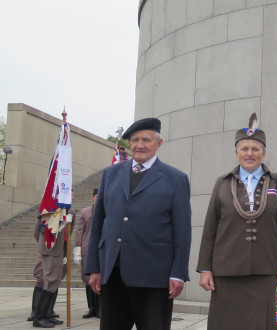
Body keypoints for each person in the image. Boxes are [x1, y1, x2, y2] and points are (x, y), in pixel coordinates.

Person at [85, 118, 192, 330]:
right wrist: (94, 268)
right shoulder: (110, 174)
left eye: (146, 139)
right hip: (113, 275)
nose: (139, 145)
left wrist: (178, 273)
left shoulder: (176, 179)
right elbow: (98, 225)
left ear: (158, 143)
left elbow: (182, 232)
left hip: (154, 277)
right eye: (134, 140)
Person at [197, 113, 277, 329]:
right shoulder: (222, 183)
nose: (249, 153)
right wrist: (205, 268)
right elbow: (210, 229)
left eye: (255, 149)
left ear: (264, 153)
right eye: (244, 149)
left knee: (260, 323)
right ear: (236, 153)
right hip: (226, 270)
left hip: (264, 268)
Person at [32, 191, 76, 328]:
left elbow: (69, 234)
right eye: (69, 194)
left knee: (55, 281)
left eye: (72, 195)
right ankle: (38, 317)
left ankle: (48, 314)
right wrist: (63, 223)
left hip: (61, 250)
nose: (72, 197)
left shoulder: (71, 212)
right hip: (50, 248)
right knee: (50, 280)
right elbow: (44, 230)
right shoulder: (50, 209)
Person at [74, 188, 99, 319]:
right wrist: (77, 248)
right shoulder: (85, 212)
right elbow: (79, 231)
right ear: (92, 197)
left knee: (101, 279)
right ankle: (92, 308)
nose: (98, 198)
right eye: (96, 196)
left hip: (102, 250)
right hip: (87, 249)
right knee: (88, 280)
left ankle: (101, 308)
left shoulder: (108, 211)